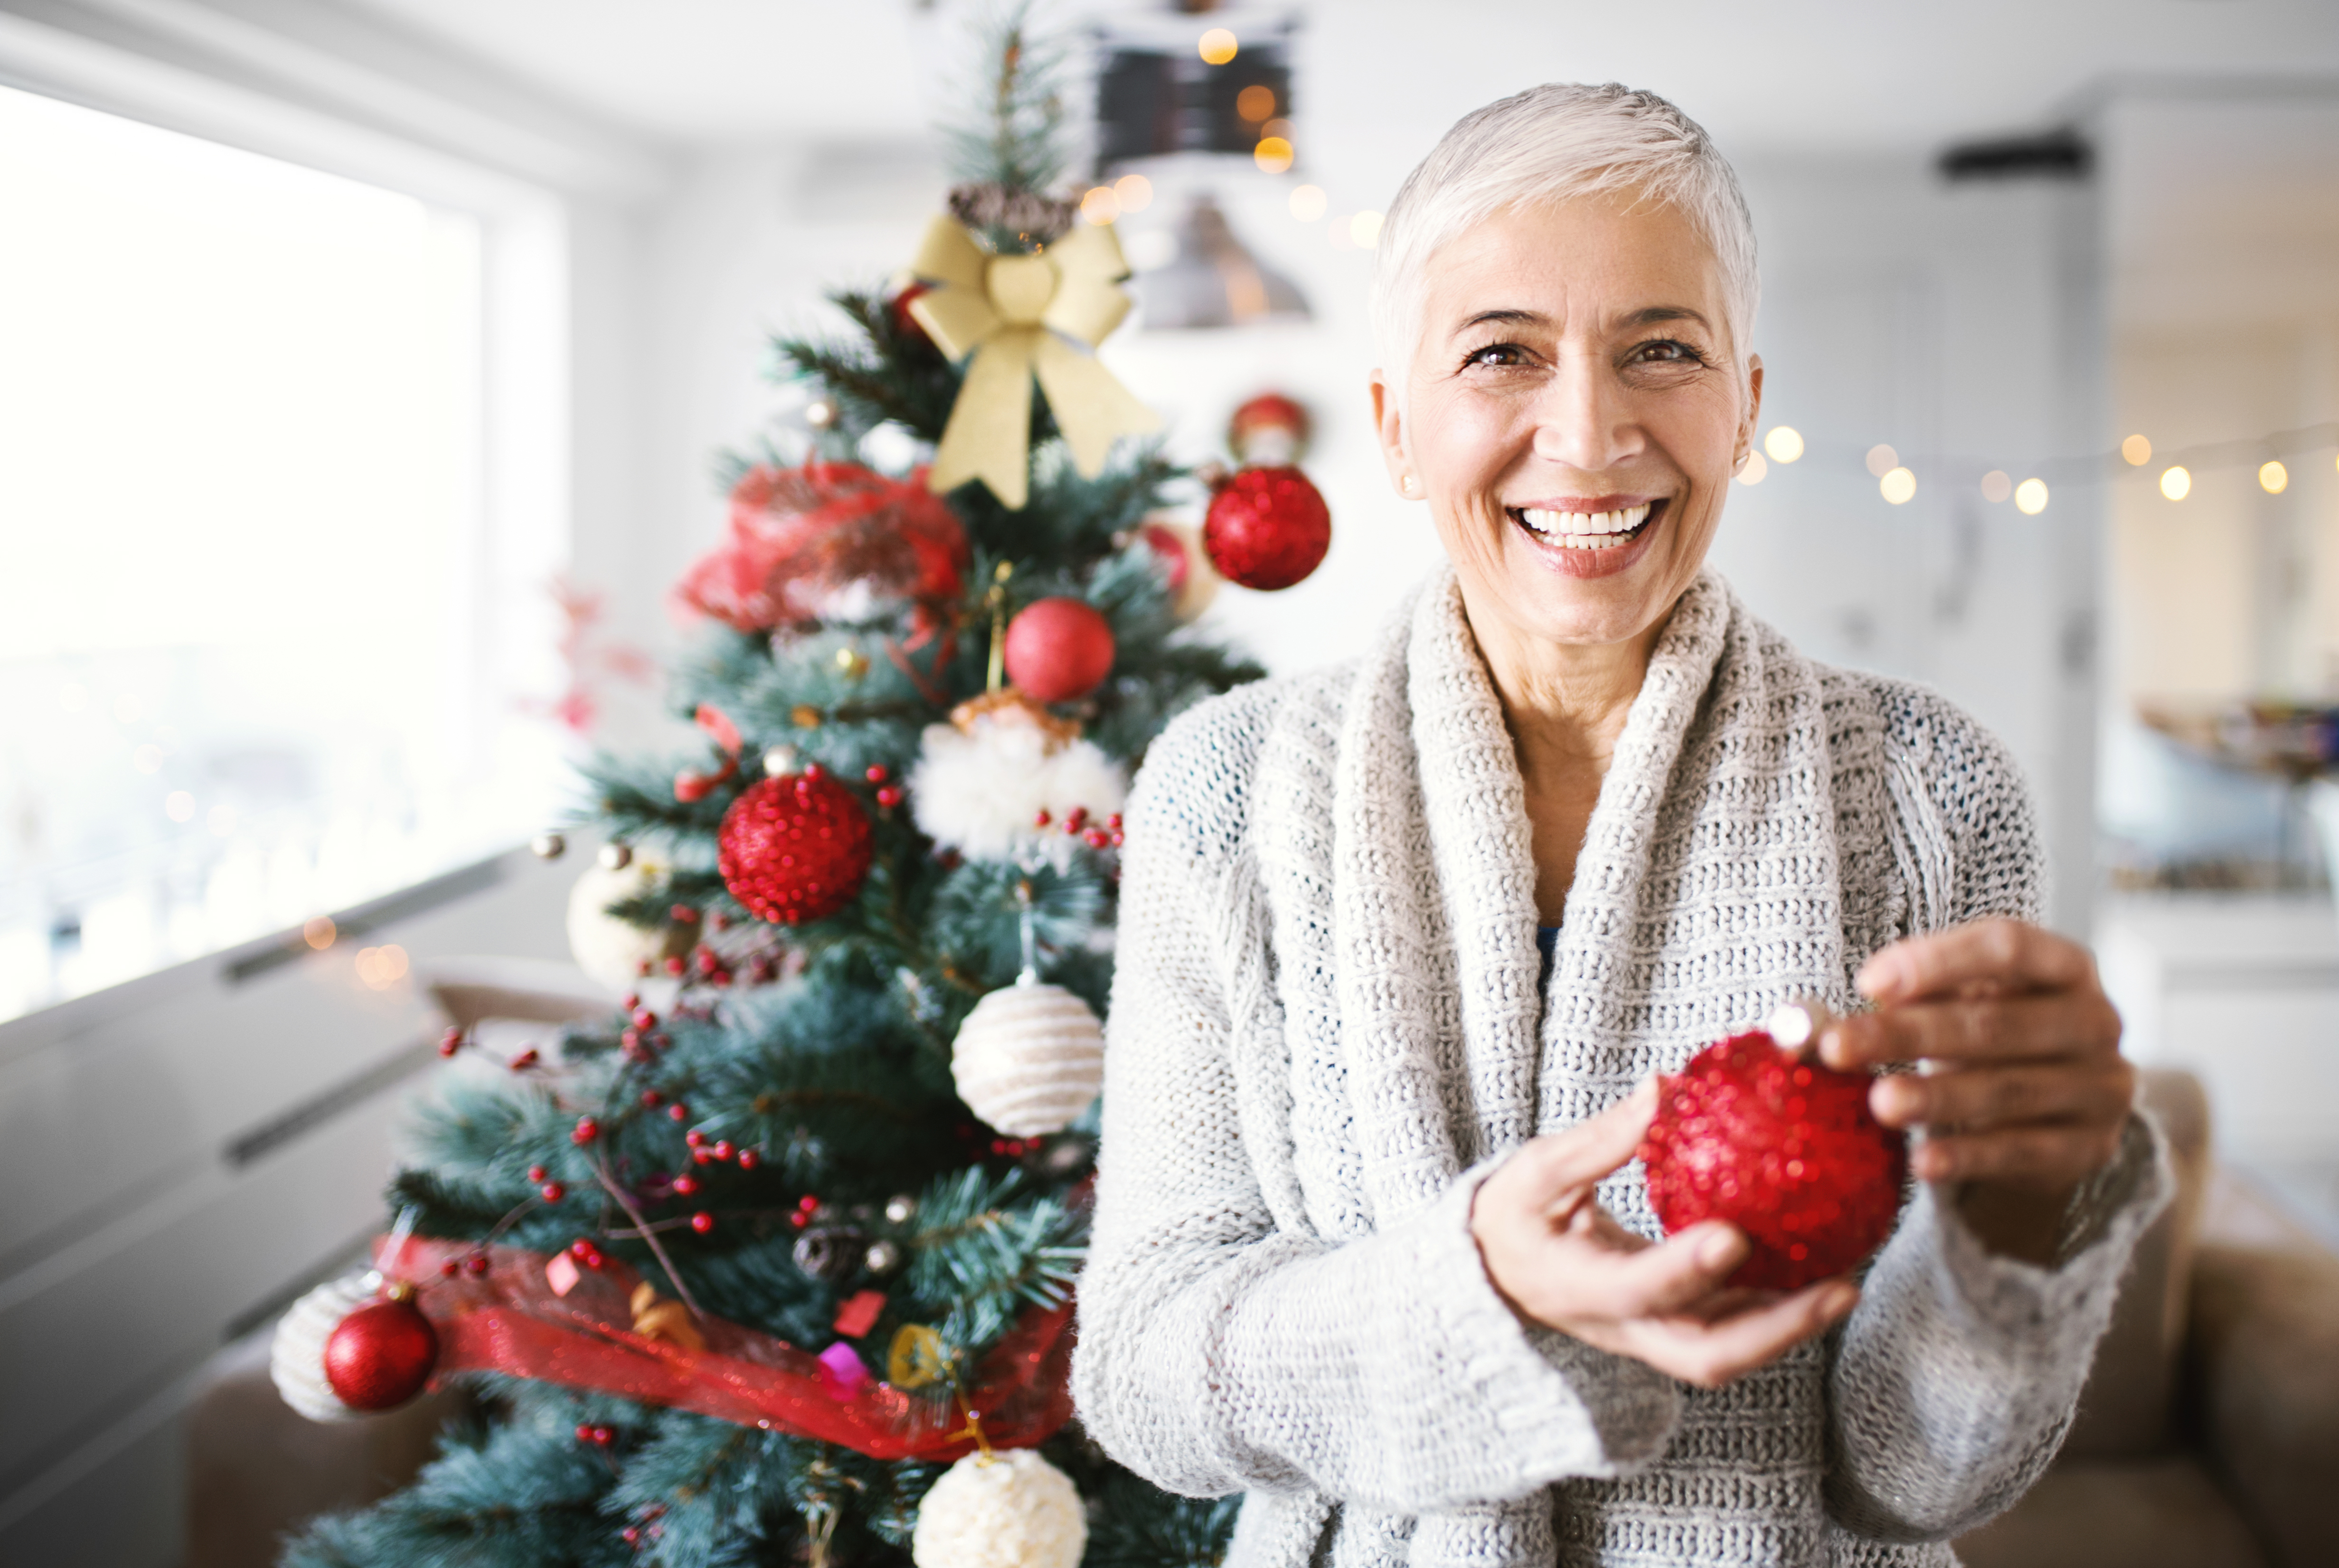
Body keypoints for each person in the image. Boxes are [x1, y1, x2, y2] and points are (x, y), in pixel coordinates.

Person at [1071, 84, 2168, 1568]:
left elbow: (1921, 1481)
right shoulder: (1227, 793)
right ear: (1397, 426)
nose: (1588, 434)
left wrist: (2023, 1218)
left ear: (1746, 405)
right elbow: (1144, 1377)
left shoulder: (1928, 789)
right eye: (1502, 354)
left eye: (1663, 352)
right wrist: (1474, 1305)